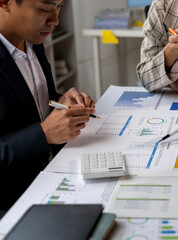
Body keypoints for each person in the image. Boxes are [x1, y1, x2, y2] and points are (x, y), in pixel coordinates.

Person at [0, 0, 96, 214]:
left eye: (60, 6)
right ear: (5, 3)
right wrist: (43, 134)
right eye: (45, 9)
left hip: (54, 172)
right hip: (14, 201)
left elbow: (28, 103)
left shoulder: (33, 40)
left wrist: (61, 102)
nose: (55, 20)